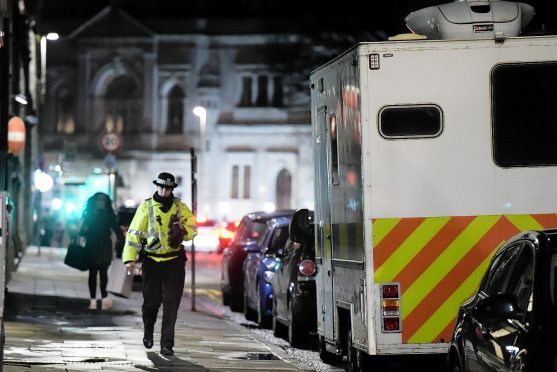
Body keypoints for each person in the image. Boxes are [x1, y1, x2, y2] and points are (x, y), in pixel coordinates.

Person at [122, 172, 197, 356]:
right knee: (152, 302)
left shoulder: (180, 207)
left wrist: (182, 231)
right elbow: (133, 235)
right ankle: (148, 331)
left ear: (172, 189)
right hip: (152, 262)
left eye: (167, 188)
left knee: (172, 303)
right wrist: (130, 259)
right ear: (157, 187)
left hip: (174, 261)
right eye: (161, 187)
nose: (164, 191)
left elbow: (193, 230)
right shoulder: (146, 207)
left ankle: (167, 344)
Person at [79, 192, 125, 311]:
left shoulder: (108, 215)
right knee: (93, 274)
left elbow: (117, 230)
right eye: (99, 200)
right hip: (92, 246)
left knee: (103, 274)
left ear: (106, 203)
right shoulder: (90, 214)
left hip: (104, 247)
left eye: (103, 201)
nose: (101, 202)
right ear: (94, 202)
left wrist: (124, 244)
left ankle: (104, 299)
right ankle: (93, 300)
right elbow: (82, 232)